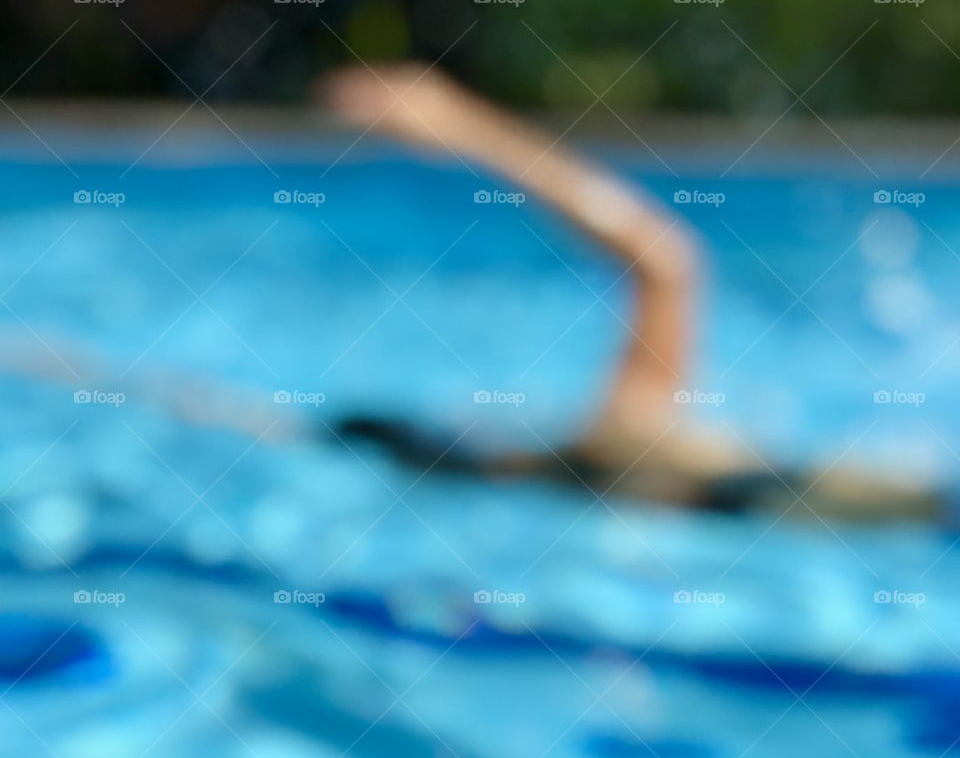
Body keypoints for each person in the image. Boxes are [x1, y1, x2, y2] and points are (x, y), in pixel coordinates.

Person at [321, 62, 943, 522]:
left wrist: (459, 125)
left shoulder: (624, 449)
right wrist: (460, 123)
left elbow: (666, 260)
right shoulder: (628, 441)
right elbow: (663, 258)